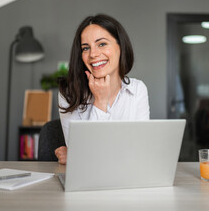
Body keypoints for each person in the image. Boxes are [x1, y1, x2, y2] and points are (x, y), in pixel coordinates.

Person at [55, 14, 150, 164]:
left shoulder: (138, 89)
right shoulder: (68, 92)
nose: (93, 54)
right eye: (86, 48)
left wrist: (76, 153)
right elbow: (88, 162)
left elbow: (141, 150)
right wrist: (100, 101)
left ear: (121, 47)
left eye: (102, 44)